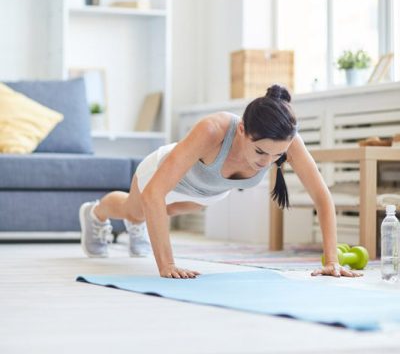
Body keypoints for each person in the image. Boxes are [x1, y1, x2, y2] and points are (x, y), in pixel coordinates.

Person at [79, 85, 362, 279]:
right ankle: (95, 213)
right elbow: (154, 192)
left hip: (208, 191)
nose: (267, 162)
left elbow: (321, 195)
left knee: (168, 211)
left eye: (278, 155)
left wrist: (331, 261)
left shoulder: (288, 139)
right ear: (242, 130)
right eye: (260, 151)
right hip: (164, 173)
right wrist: (167, 265)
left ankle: (141, 224)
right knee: (137, 209)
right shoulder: (213, 129)